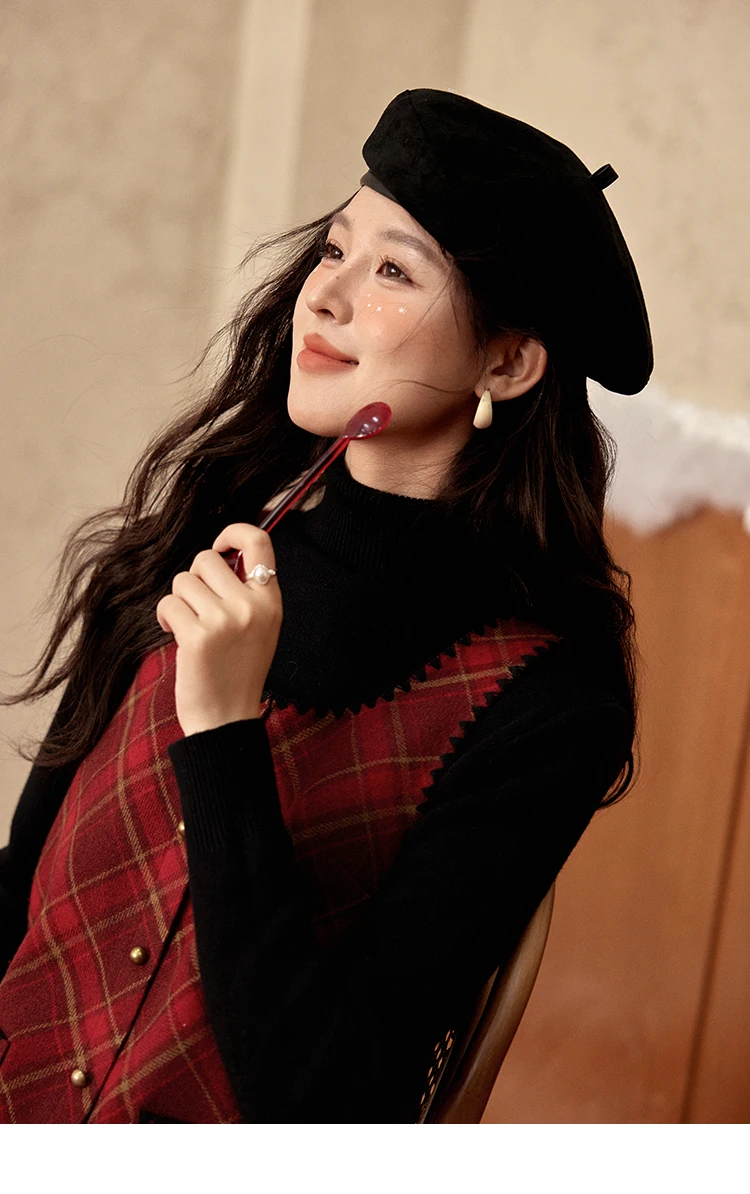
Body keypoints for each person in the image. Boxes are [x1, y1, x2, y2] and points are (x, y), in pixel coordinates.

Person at [0, 89, 651, 1124]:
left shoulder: (548, 706)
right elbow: (17, 898)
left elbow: (325, 1107)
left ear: (506, 362)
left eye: (394, 270)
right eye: (335, 250)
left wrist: (223, 730)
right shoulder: (199, 537)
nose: (325, 296)